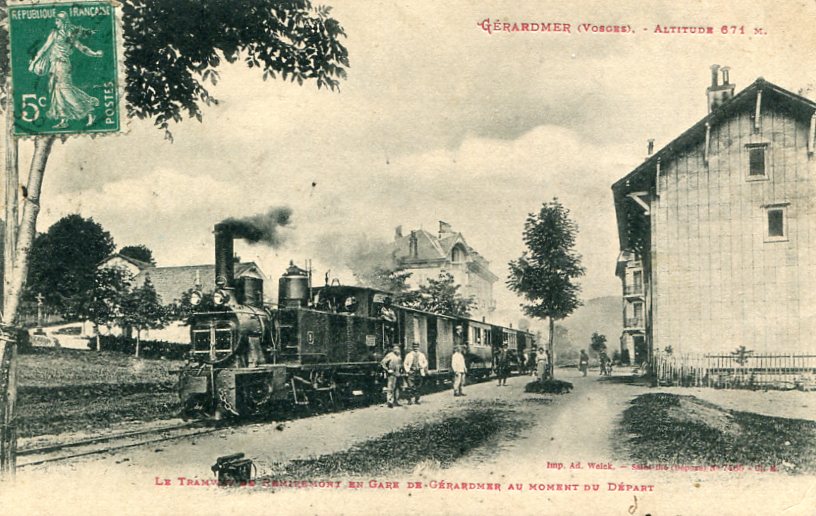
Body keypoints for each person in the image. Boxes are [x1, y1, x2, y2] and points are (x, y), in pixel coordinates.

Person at [28, 12, 103, 129]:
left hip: (62, 65)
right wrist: (34, 62)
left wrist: (94, 54)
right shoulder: (56, 33)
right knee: (56, 92)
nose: (55, 23)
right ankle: (64, 119)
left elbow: (81, 47)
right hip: (54, 65)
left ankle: (89, 110)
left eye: (57, 20)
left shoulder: (69, 36)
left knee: (66, 91)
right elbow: (44, 49)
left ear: (63, 22)